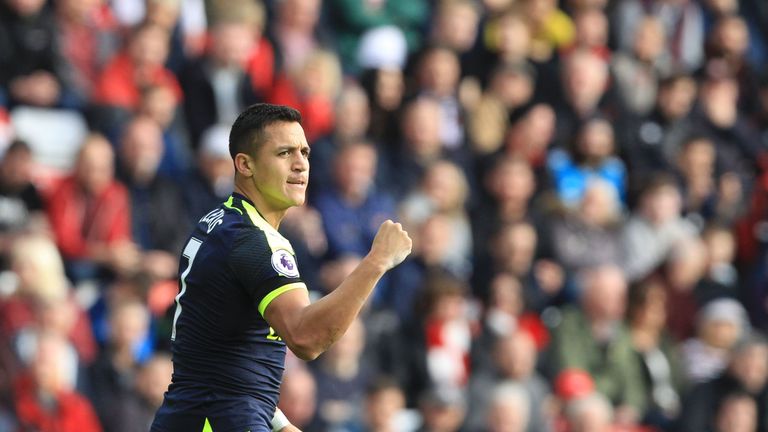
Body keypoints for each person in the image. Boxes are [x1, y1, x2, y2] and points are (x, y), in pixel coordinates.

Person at [150, 103, 412, 432]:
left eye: (305, 152)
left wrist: (278, 422)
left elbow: (220, 359)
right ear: (245, 164)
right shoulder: (254, 241)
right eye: (284, 153)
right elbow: (306, 337)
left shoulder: (219, 223)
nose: (300, 164)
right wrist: (376, 262)